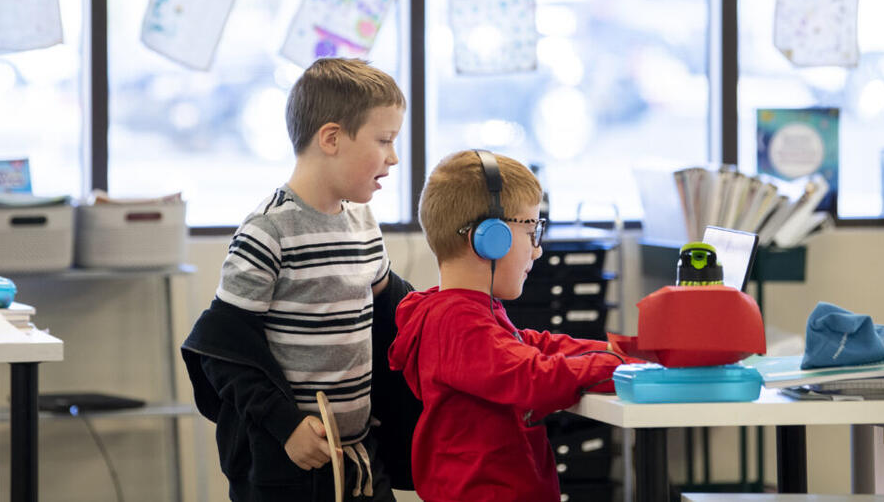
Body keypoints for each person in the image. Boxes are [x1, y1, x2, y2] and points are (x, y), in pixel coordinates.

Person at [182, 57, 419, 502]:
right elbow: (223, 353)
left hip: (359, 456)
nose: (394, 157)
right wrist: (285, 425)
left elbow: (393, 303)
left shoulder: (363, 221)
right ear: (331, 138)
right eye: (384, 140)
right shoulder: (268, 232)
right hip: (290, 464)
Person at [388, 149, 626, 502]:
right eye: (531, 231)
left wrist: (620, 350)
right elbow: (534, 377)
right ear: (489, 238)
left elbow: (533, 344)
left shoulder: (466, 311)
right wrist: (621, 368)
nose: (537, 250)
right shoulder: (455, 322)